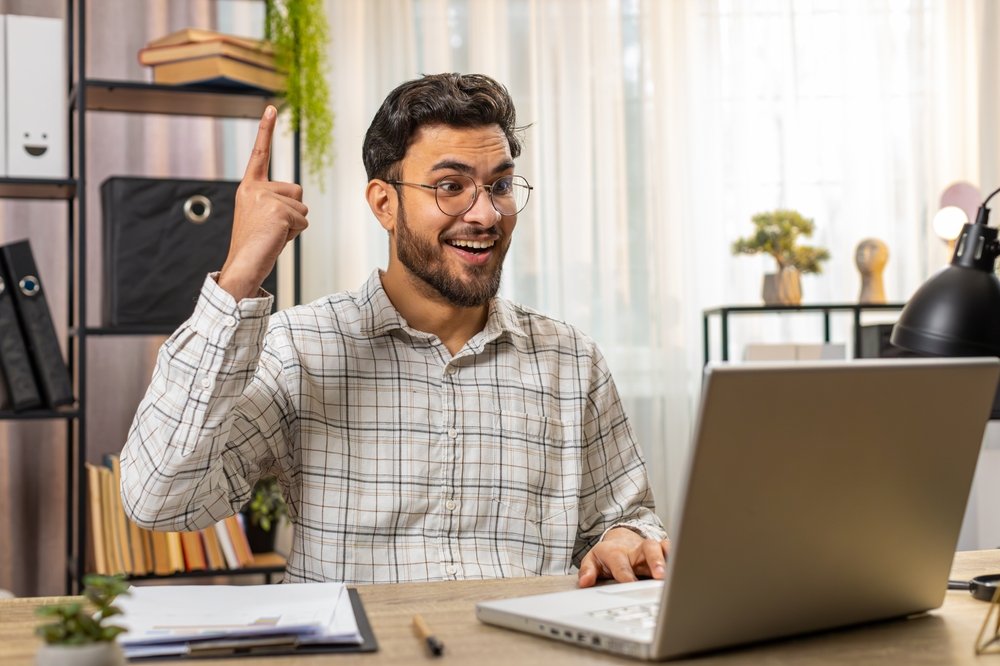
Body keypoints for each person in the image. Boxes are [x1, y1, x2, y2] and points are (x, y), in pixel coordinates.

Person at [120, 73, 669, 588]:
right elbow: (160, 499)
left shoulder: (570, 359)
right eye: (450, 186)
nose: (485, 215)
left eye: (499, 186)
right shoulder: (299, 350)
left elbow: (626, 519)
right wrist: (240, 273)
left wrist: (624, 538)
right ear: (385, 203)